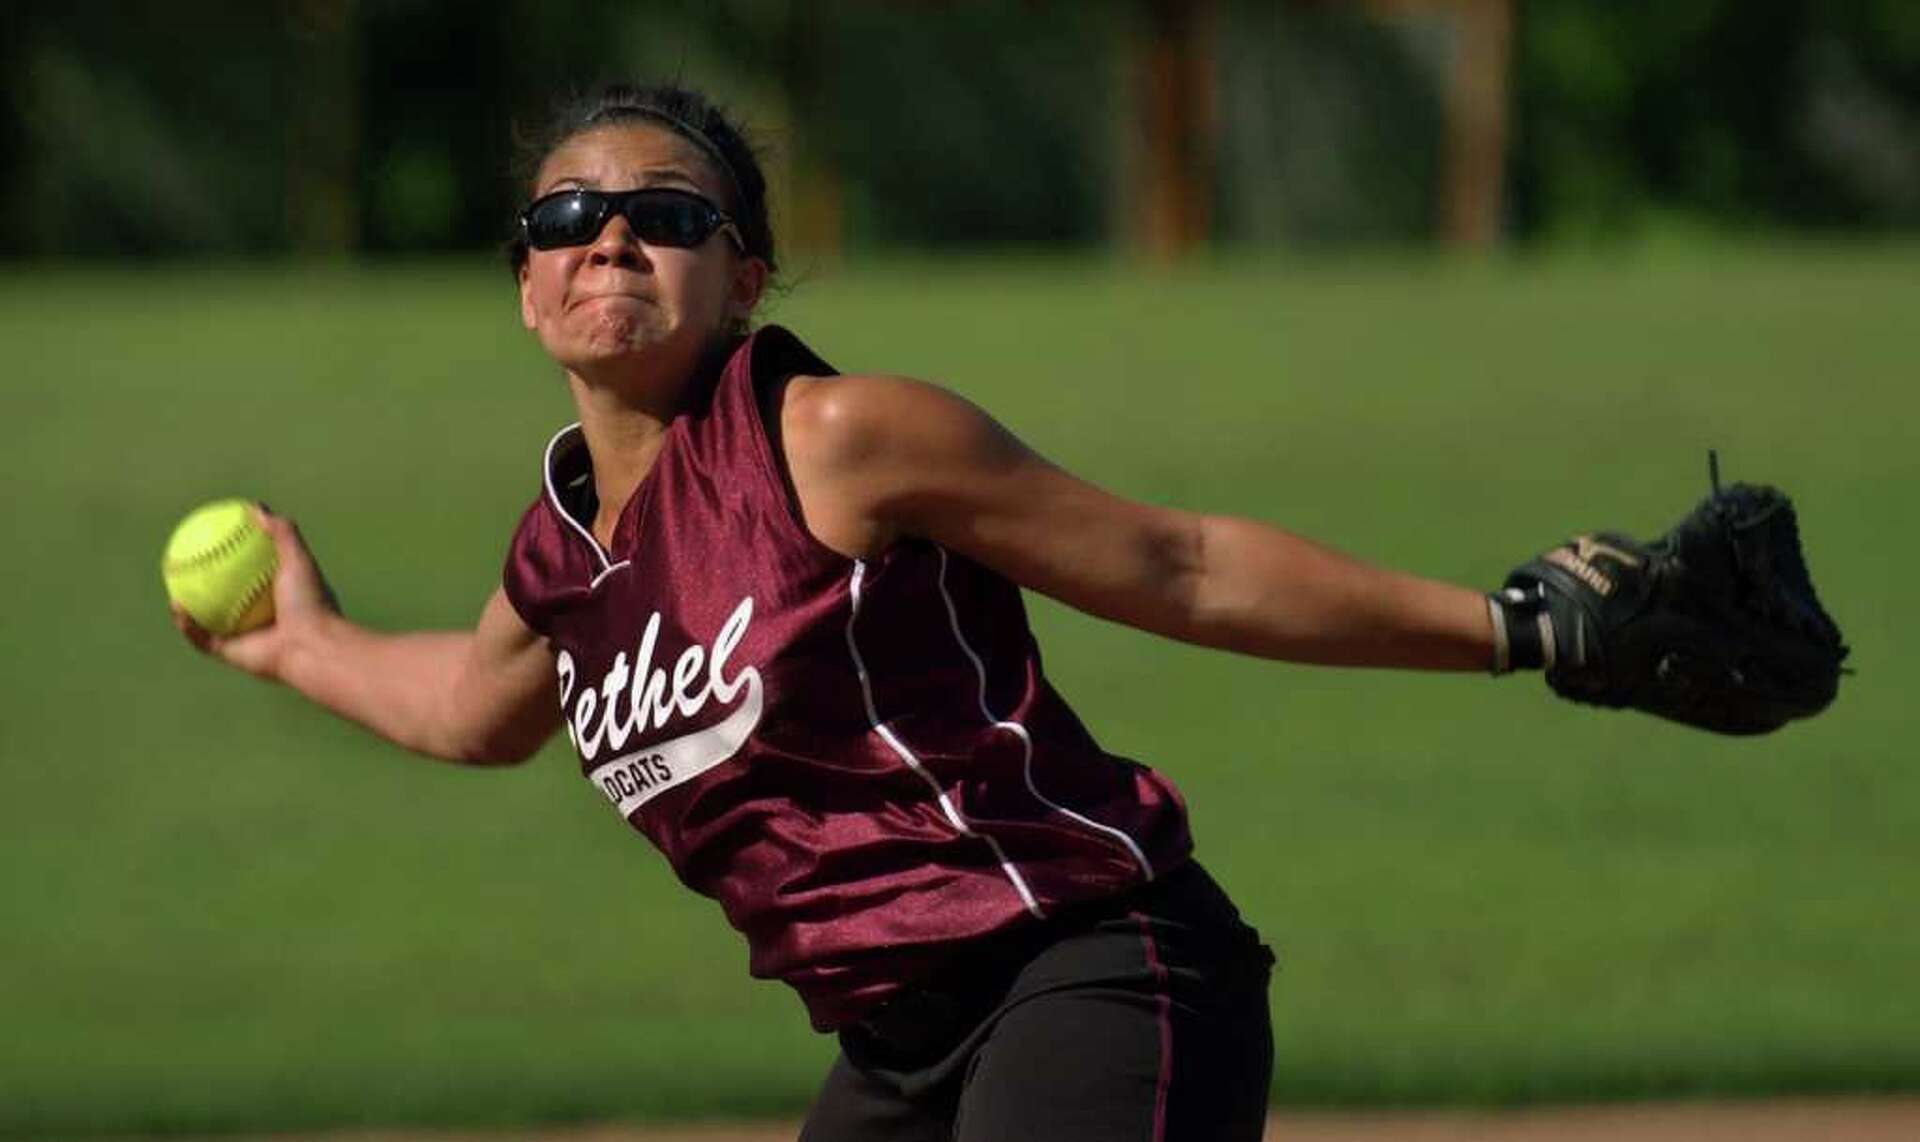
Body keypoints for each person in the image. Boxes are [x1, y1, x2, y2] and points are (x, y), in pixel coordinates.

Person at [172, 84, 1512, 1142]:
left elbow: (1183, 564)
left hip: (1085, 962)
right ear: (529, 287)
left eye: (668, 214)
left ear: (744, 278)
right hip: (895, 1049)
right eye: (568, 216)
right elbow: (472, 708)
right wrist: (301, 644)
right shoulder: (559, 561)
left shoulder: (829, 439)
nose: (611, 238)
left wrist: (1512, 628)